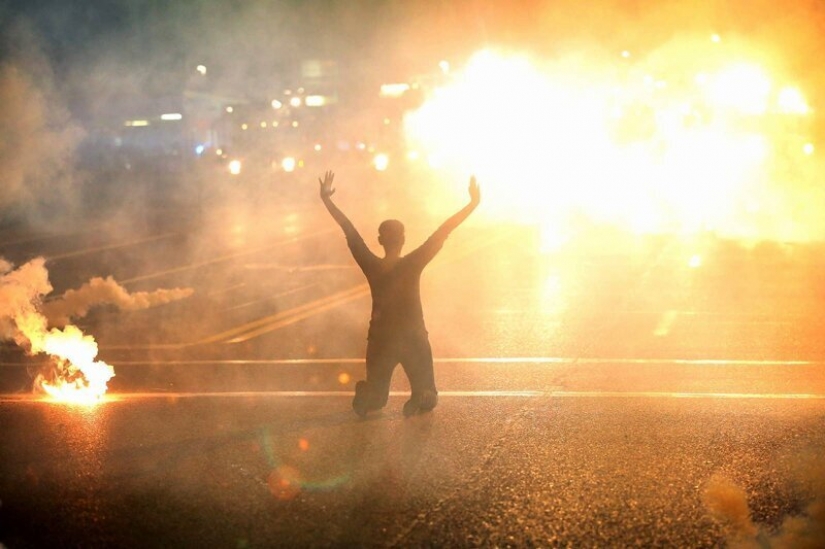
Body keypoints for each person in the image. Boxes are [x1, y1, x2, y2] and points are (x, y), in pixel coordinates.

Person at [319, 170, 480, 417]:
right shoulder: (413, 263)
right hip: (414, 338)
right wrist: (472, 204)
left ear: (379, 240)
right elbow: (444, 230)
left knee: (376, 400)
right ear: (403, 239)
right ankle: (421, 394)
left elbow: (349, 231)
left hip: (381, 340)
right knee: (429, 395)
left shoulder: (372, 265)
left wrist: (327, 200)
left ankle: (370, 393)